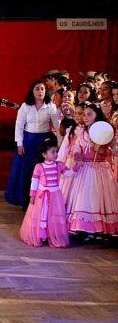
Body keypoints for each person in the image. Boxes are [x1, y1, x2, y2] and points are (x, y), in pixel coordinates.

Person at [63, 102, 118, 238]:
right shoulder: (81, 132)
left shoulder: (105, 130)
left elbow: (115, 149)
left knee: (97, 198)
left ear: (96, 115)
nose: (85, 117)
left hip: (100, 170)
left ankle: (99, 229)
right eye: (84, 115)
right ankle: (85, 228)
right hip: (85, 170)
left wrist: (105, 150)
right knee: (84, 198)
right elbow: (77, 148)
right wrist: (78, 156)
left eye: (89, 114)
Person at [5, 80, 60, 209]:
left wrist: (60, 144)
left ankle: (42, 203)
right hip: (28, 141)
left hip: (44, 142)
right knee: (27, 171)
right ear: (32, 91)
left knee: (43, 172)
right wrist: (19, 144)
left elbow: (57, 127)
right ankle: (25, 202)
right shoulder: (25, 106)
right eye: (37, 89)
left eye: (42, 89)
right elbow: (19, 126)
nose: (40, 91)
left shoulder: (51, 106)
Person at [19, 139, 77, 248]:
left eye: (56, 151)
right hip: (42, 197)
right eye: (52, 152)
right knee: (42, 214)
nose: (55, 154)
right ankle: (41, 235)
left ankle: (52, 233)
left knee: (53, 215)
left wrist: (77, 166)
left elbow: (70, 174)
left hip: (55, 196)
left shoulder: (59, 165)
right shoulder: (39, 167)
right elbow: (34, 181)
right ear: (44, 154)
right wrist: (32, 195)